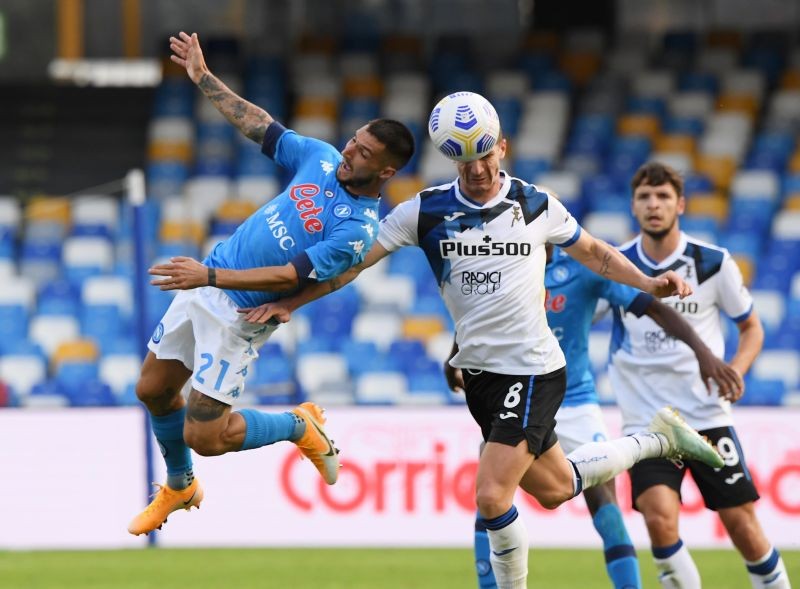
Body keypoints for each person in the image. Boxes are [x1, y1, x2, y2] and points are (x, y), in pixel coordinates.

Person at [150, 118, 723, 589]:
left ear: (502, 148)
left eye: (485, 157)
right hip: (479, 376)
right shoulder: (423, 212)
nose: (477, 170)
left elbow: (596, 253)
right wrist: (295, 301)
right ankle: (658, 439)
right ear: (452, 159)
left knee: (492, 495)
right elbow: (353, 264)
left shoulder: (535, 204)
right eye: (464, 161)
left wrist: (650, 284)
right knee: (554, 488)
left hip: (533, 368)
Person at [127, 31, 415, 537]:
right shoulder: (320, 158)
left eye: (364, 153)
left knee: (205, 437)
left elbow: (289, 275)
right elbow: (262, 126)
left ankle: (299, 426)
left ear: (385, 171)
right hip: (206, 286)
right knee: (151, 389)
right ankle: (180, 486)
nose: (350, 152)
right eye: (354, 140)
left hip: (240, 316)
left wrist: (208, 275)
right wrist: (204, 78)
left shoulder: (356, 230)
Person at [443, 238, 742, 589]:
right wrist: (456, 360)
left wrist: (703, 353)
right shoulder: (505, 272)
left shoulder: (583, 271)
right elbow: (471, 328)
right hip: (516, 399)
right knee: (525, 490)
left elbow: (652, 307)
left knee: (594, 503)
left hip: (574, 401)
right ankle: (656, 440)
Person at [606, 161, 792, 588]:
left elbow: (752, 327)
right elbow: (583, 313)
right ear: (634, 206)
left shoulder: (712, 262)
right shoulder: (618, 266)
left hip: (707, 416)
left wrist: (736, 372)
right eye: (645, 197)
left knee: (741, 524)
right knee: (659, 519)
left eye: (663, 196)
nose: (654, 205)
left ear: (681, 205)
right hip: (647, 421)